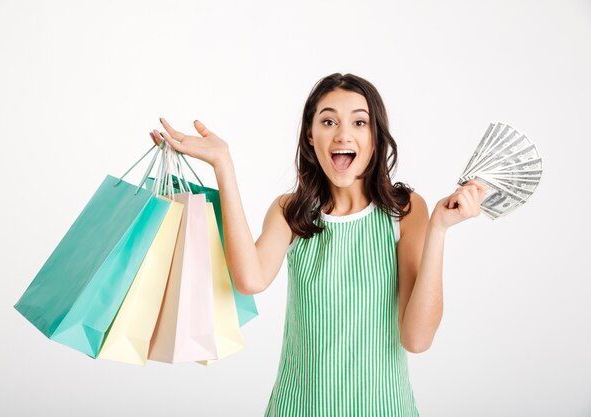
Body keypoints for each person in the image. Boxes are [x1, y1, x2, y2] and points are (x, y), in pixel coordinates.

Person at [150, 73, 487, 416]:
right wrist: (223, 164)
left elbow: (417, 340)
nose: (343, 133)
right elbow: (250, 280)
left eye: (359, 122)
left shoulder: (405, 211)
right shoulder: (291, 211)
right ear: (311, 135)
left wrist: (439, 230)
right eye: (328, 121)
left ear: (375, 137)